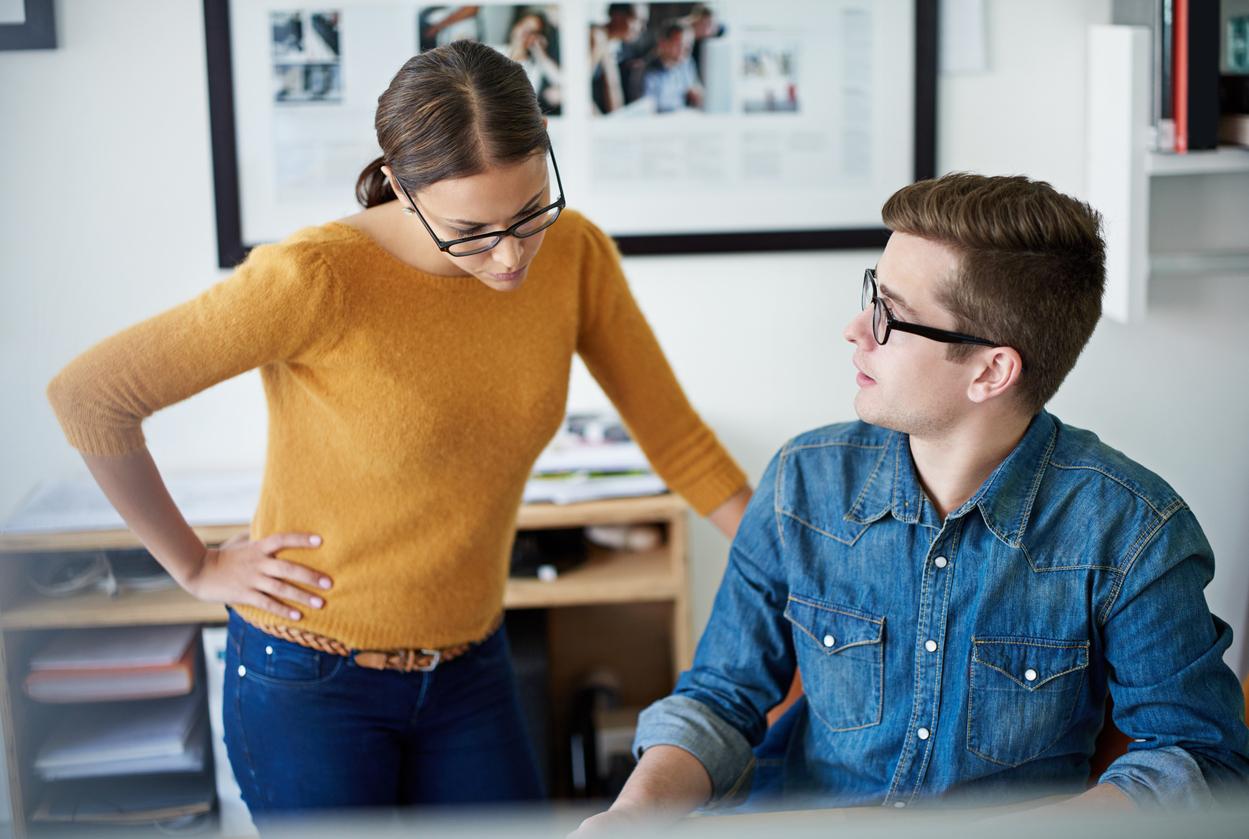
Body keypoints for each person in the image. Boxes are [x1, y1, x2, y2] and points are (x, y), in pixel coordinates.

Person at [46, 41, 751, 822]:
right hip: (308, 677)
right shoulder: (313, 277)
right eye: (471, 229)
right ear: (401, 184)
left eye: (529, 212)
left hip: (472, 664)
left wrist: (791, 573)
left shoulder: (575, 254)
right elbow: (90, 396)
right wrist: (196, 566)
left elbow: (677, 438)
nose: (510, 255)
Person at [575, 173, 1249, 832]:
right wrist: (630, 815)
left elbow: (1202, 759)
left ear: (990, 371)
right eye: (872, 294)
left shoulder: (1133, 531)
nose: (854, 330)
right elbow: (720, 700)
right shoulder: (801, 481)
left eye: (891, 315)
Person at [641, 21, 703, 113]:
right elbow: (649, 110)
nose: (686, 49)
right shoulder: (646, 72)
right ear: (662, 44)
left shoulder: (686, 63)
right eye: (680, 44)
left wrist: (696, 94)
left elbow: (692, 88)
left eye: (689, 45)